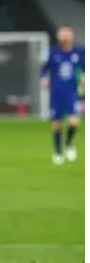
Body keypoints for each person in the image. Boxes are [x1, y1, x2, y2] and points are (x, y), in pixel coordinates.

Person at [40, 26, 86, 165]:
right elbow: (44, 68)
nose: (65, 37)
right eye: (62, 34)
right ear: (58, 36)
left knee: (73, 122)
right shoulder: (53, 51)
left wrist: (84, 77)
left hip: (71, 92)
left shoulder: (78, 51)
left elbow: (85, 68)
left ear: (72, 36)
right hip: (56, 92)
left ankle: (69, 144)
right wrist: (44, 78)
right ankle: (58, 152)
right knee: (57, 123)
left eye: (67, 34)